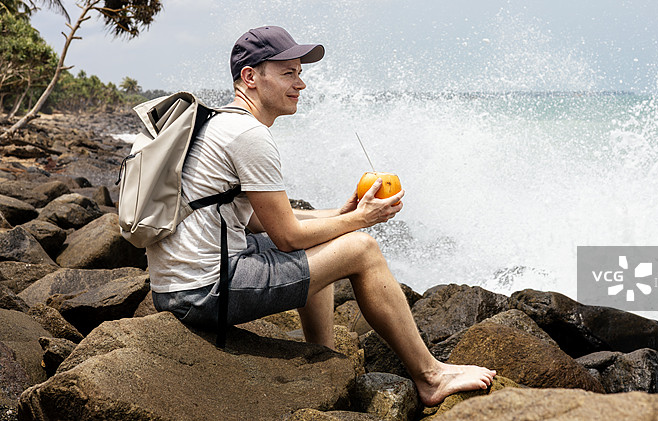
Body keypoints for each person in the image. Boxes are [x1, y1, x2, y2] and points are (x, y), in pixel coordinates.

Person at [148, 25, 495, 406]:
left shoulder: (219, 124)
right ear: (250, 77)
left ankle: (321, 356)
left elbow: (246, 220)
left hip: (179, 286)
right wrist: (362, 220)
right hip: (205, 291)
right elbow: (289, 239)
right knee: (361, 248)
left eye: (300, 72)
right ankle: (430, 376)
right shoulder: (248, 135)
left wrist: (339, 214)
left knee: (328, 233)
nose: (301, 84)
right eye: (288, 73)